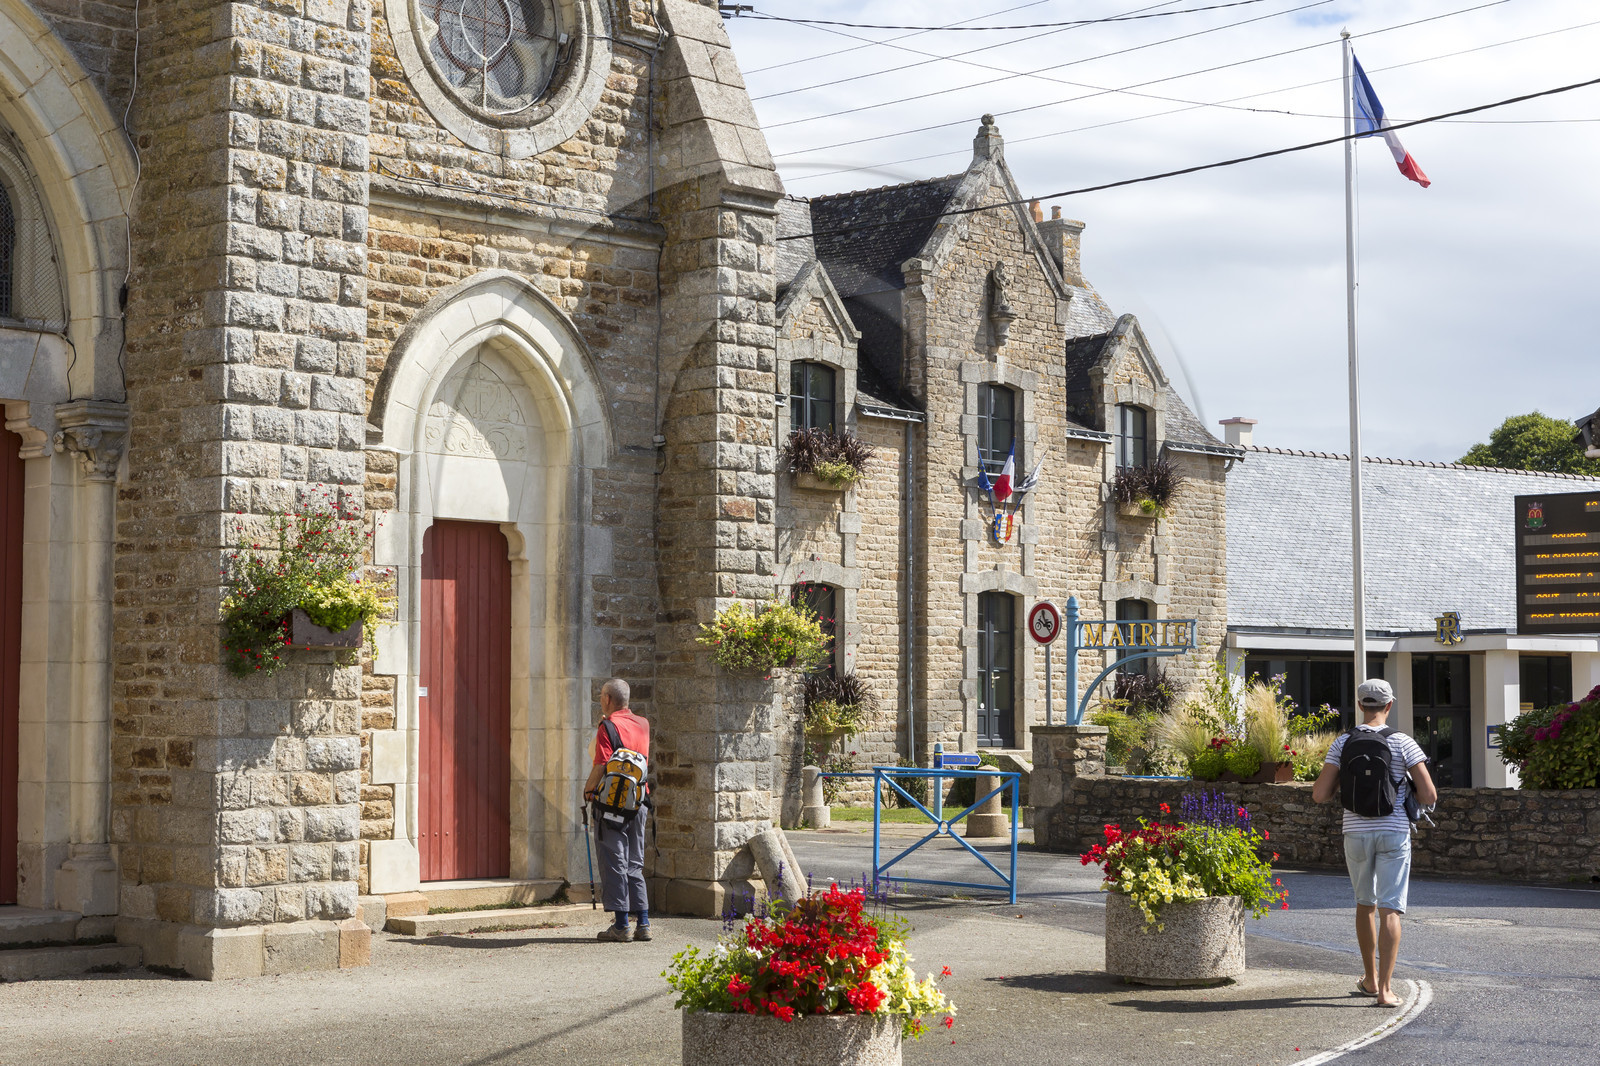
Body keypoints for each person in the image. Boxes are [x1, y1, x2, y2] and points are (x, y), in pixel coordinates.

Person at [1312, 678, 1437, 1008]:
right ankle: (1385, 990)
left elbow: (1320, 794)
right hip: (1394, 831)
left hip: (1355, 831)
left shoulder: (1343, 742)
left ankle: (1369, 979)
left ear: (1360, 705)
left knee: (1364, 904)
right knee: (1390, 909)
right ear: (1389, 705)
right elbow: (1429, 795)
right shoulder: (1403, 742)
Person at [583, 678, 651, 943]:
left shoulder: (608, 726)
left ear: (608, 699)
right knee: (635, 862)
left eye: (602, 695)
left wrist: (588, 790)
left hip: (612, 804)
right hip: (640, 801)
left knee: (614, 862)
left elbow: (602, 764)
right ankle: (643, 923)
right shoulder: (643, 724)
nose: (601, 699)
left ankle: (621, 926)